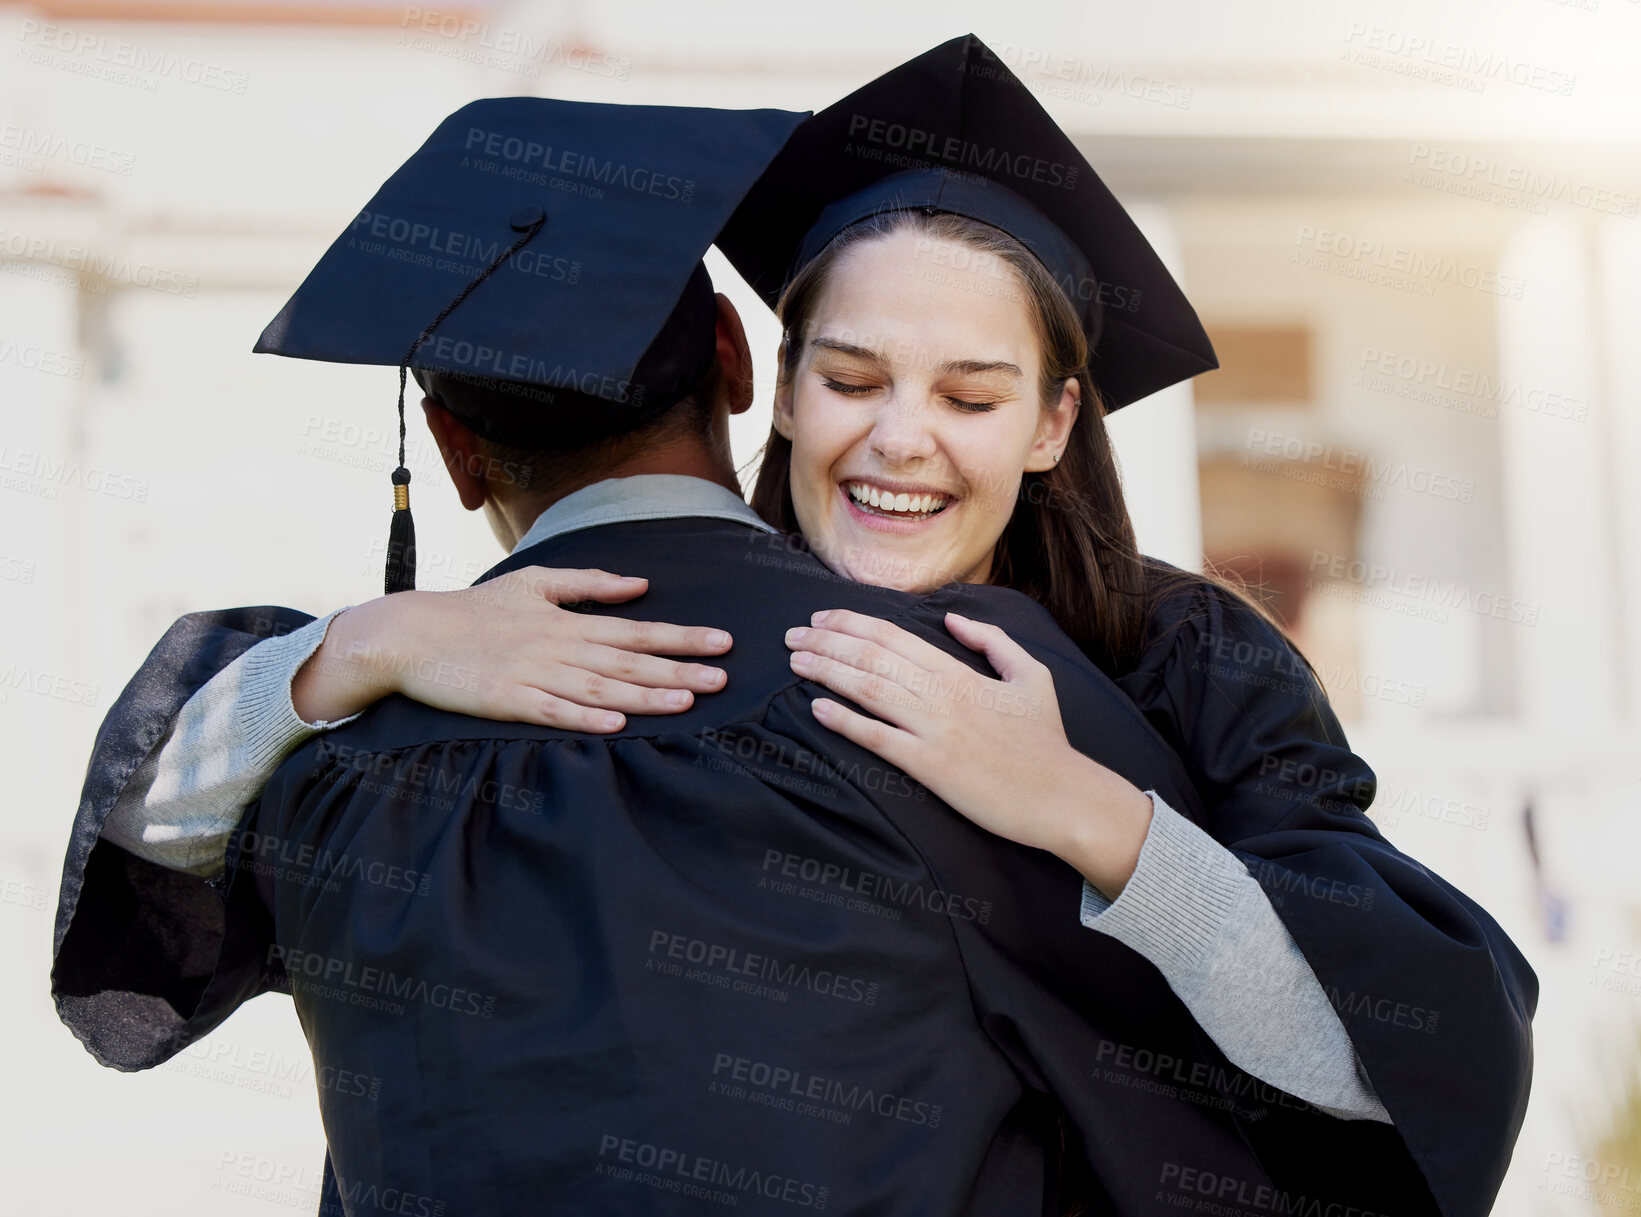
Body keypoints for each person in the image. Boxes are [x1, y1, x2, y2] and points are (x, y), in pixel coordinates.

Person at [52, 40, 1532, 1217]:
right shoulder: (422, 678)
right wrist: (344, 653)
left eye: (967, 394)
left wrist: (1093, 811)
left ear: (1050, 418)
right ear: (755, 366)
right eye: (853, 376)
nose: (900, 444)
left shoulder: (1159, 663)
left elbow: (1403, 1055)